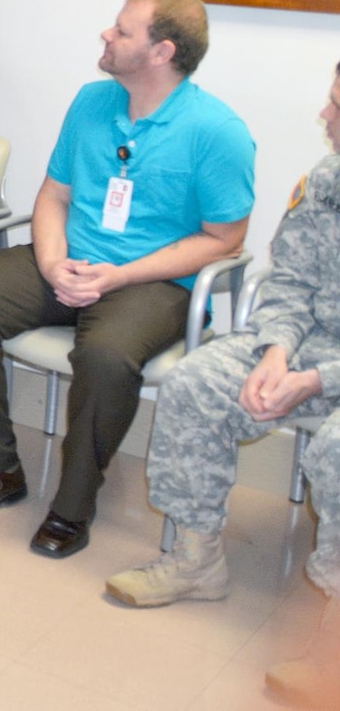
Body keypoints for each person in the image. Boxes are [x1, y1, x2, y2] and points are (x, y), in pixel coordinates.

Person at [0, 0, 255, 559]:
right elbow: (54, 196)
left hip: (154, 282)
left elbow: (225, 238)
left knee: (105, 357)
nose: (106, 36)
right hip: (69, 258)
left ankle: (73, 506)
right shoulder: (91, 102)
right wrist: (54, 262)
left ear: (161, 53)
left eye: (122, 31)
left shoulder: (216, 131)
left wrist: (118, 275)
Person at [104, 66, 340, 708]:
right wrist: (277, 352)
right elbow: (290, 282)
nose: (324, 116)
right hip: (308, 343)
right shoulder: (328, 180)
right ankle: (196, 559)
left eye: (336, 105)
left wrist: (314, 379)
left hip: (329, 365)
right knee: (195, 382)